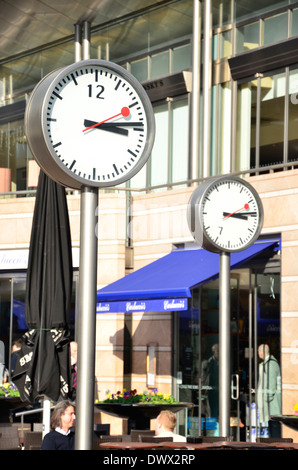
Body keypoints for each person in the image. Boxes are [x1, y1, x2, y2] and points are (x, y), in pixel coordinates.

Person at [257, 344, 281, 438]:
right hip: (271, 405)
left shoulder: (270, 364)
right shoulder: (269, 363)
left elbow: (270, 386)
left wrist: (265, 400)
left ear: (262, 352)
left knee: (275, 432)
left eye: (259, 351)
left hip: (272, 406)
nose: (258, 353)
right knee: (272, 430)